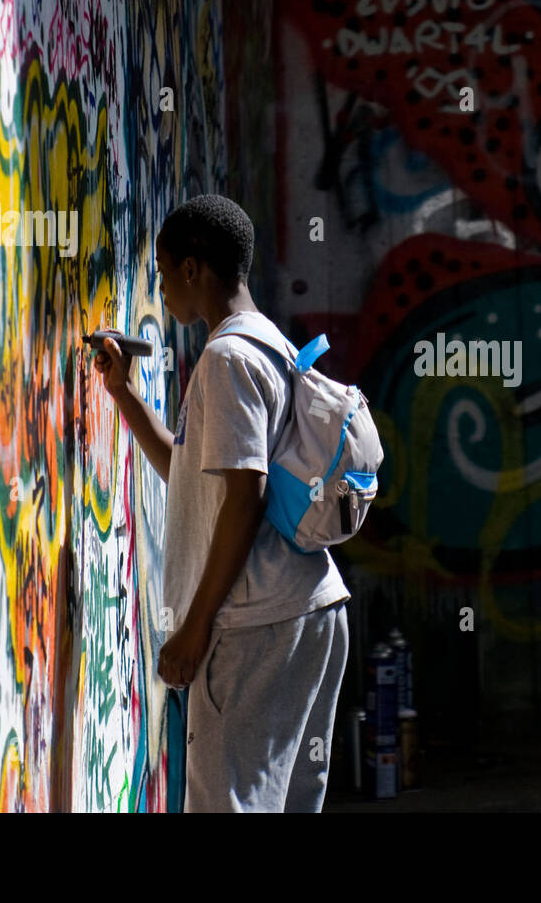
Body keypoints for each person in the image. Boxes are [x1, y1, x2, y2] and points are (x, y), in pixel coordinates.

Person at [92, 194, 350, 812]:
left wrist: (194, 627)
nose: (160, 285)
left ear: (192, 269)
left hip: (256, 621)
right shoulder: (268, 344)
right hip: (310, 609)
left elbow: (245, 497)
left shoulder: (225, 359)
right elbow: (194, 475)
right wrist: (123, 393)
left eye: (161, 269)